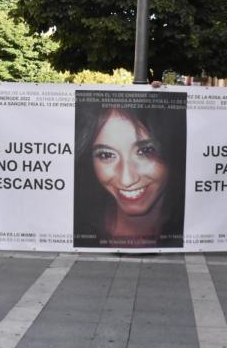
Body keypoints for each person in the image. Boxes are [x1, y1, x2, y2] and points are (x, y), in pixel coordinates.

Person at [74, 100, 185, 248]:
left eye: (145, 151)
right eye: (106, 155)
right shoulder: (78, 226)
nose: (127, 180)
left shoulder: (194, 228)